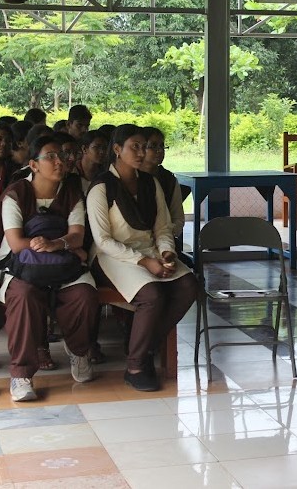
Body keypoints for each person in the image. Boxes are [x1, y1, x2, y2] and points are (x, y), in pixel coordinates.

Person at [87, 124, 197, 392]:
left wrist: (166, 252)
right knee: (152, 296)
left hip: (151, 250)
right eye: (133, 147)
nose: (141, 152)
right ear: (117, 150)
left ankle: (144, 345)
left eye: (143, 147)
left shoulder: (151, 183)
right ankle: (136, 365)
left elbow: (162, 227)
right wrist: (145, 262)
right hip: (112, 257)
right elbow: (103, 240)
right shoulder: (101, 188)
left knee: (189, 286)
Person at [0, 135, 97, 401]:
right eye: (50, 156)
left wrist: (56, 244)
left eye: (62, 155)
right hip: (22, 266)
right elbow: (16, 243)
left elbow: (77, 235)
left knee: (84, 294)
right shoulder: (16, 194)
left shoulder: (72, 193)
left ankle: (79, 352)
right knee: (24, 296)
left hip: (63, 263)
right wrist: (50, 245)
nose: (59, 161)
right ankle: (21, 375)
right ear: (33, 165)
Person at [139, 126, 185, 239]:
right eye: (153, 146)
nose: (159, 150)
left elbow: (178, 218)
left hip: (165, 239)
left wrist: (165, 237)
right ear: (141, 148)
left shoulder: (168, 179)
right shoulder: (130, 176)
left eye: (162, 146)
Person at [77, 130, 109, 194]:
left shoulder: (106, 172)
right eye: (96, 147)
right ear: (84, 149)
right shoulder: (73, 171)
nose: (102, 151)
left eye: (105, 148)